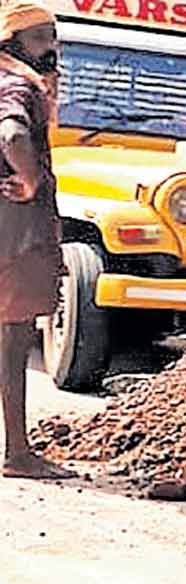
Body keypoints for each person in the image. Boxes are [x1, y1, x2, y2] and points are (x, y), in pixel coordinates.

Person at [0, 2, 72, 479]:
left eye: (52, 37)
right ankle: (18, 454)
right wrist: (28, 181)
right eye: (41, 38)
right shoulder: (17, 86)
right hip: (16, 228)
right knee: (14, 339)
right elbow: (12, 136)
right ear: (14, 42)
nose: (51, 47)